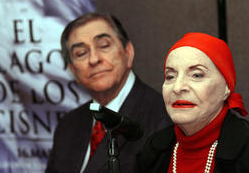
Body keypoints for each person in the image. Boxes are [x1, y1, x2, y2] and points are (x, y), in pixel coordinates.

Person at [45, 12, 172, 173]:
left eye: (104, 46)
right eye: (81, 53)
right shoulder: (68, 125)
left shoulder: (164, 118)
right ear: (72, 70)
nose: (93, 59)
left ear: (128, 52)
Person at [138, 32, 249, 173]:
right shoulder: (154, 150)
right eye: (170, 76)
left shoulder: (244, 149)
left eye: (196, 75)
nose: (177, 87)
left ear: (227, 87)